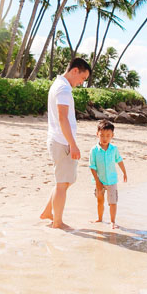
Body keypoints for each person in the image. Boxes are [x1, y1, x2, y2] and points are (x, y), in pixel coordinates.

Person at [40, 57, 91, 229]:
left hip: (59, 140)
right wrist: (73, 144)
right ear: (75, 70)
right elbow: (63, 119)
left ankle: (48, 211)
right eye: (83, 78)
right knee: (63, 183)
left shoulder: (59, 85)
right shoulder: (63, 89)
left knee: (66, 180)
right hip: (61, 141)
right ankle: (57, 222)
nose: (81, 83)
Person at [89, 120, 127, 228]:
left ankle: (112, 221)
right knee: (100, 201)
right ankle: (99, 218)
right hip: (99, 180)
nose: (105, 138)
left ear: (112, 136)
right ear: (97, 134)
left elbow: (119, 160)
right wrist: (97, 182)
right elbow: (92, 167)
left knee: (113, 202)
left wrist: (124, 172)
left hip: (111, 180)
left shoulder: (114, 149)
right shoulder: (94, 150)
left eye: (108, 136)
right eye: (102, 135)